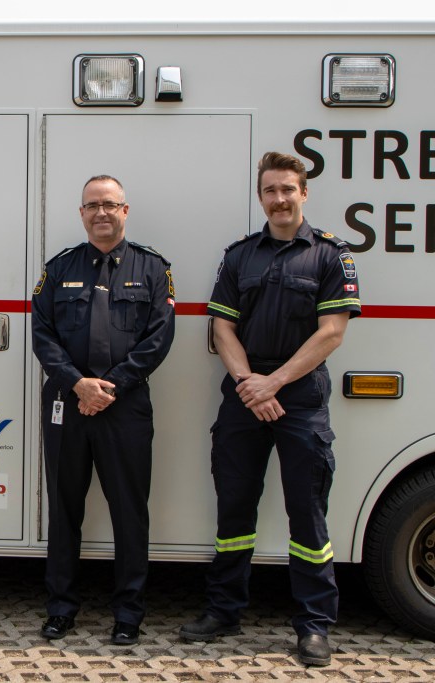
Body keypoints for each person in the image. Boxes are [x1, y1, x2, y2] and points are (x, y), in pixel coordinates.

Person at [179, 152, 361, 667]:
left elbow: (332, 333)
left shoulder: (331, 256)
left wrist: (273, 384)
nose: (278, 199)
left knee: (307, 511)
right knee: (234, 507)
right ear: (260, 197)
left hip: (299, 396)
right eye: (269, 191)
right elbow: (222, 328)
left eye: (287, 189)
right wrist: (248, 384)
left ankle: (314, 626)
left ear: (304, 193)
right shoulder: (240, 256)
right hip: (245, 393)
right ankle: (224, 610)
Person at [31, 175, 175, 644]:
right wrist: (78, 385)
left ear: (125, 210)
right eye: (92, 205)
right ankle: (60, 608)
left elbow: (159, 338)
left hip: (125, 407)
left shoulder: (153, 269)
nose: (101, 213)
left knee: (129, 512)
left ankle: (128, 613)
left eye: (110, 204)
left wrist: (109, 387)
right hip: (66, 405)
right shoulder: (59, 269)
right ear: (81, 213)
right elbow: (43, 336)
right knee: (65, 509)